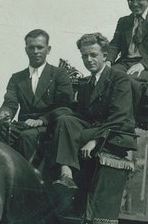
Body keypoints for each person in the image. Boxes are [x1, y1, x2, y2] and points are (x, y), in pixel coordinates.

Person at [49, 32, 138, 193]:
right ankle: (66, 173)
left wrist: (95, 141)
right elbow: (83, 116)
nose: (88, 60)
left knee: (63, 129)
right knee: (64, 121)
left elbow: (119, 117)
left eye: (93, 55)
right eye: (84, 56)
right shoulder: (86, 82)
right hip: (93, 128)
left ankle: (63, 179)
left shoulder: (119, 79)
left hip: (114, 134)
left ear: (105, 56)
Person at [0, 28, 73, 163]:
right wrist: (5, 113)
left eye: (40, 47)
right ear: (26, 49)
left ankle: (29, 179)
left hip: (48, 126)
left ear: (48, 49)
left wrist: (42, 120)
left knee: (27, 138)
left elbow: (65, 106)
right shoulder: (17, 78)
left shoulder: (59, 74)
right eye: (31, 47)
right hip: (22, 125)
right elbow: (10, 103)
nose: (35, 51)